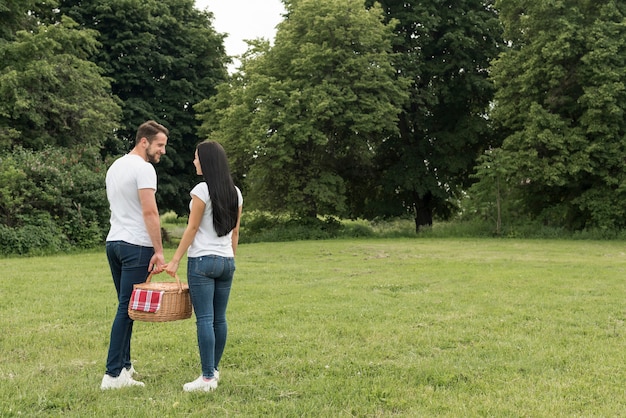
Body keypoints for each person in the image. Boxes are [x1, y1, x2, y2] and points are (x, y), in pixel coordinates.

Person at [165, 141, 243, 392]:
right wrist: (230, 259)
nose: (194, 161)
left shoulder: (201, 190)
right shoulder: (236, 192)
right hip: (226, 261)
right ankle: (214, 372)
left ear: (207, 161)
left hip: (202, 262)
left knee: (205, 320)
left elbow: (192, 228)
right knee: (219, 319)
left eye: (197, 158)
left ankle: (207, 378)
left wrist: (175, 259)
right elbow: (235, 232)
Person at [100, 120, 169, 390]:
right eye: (160, 145)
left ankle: (125, 368)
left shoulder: (115, 166)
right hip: (135, 246)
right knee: (127, 310)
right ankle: (112, 375)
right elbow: (150, 212)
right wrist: (159, 251)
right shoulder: (144, 169)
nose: (162, 150)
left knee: (125, 307)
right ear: (144, 141)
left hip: (114, 243)